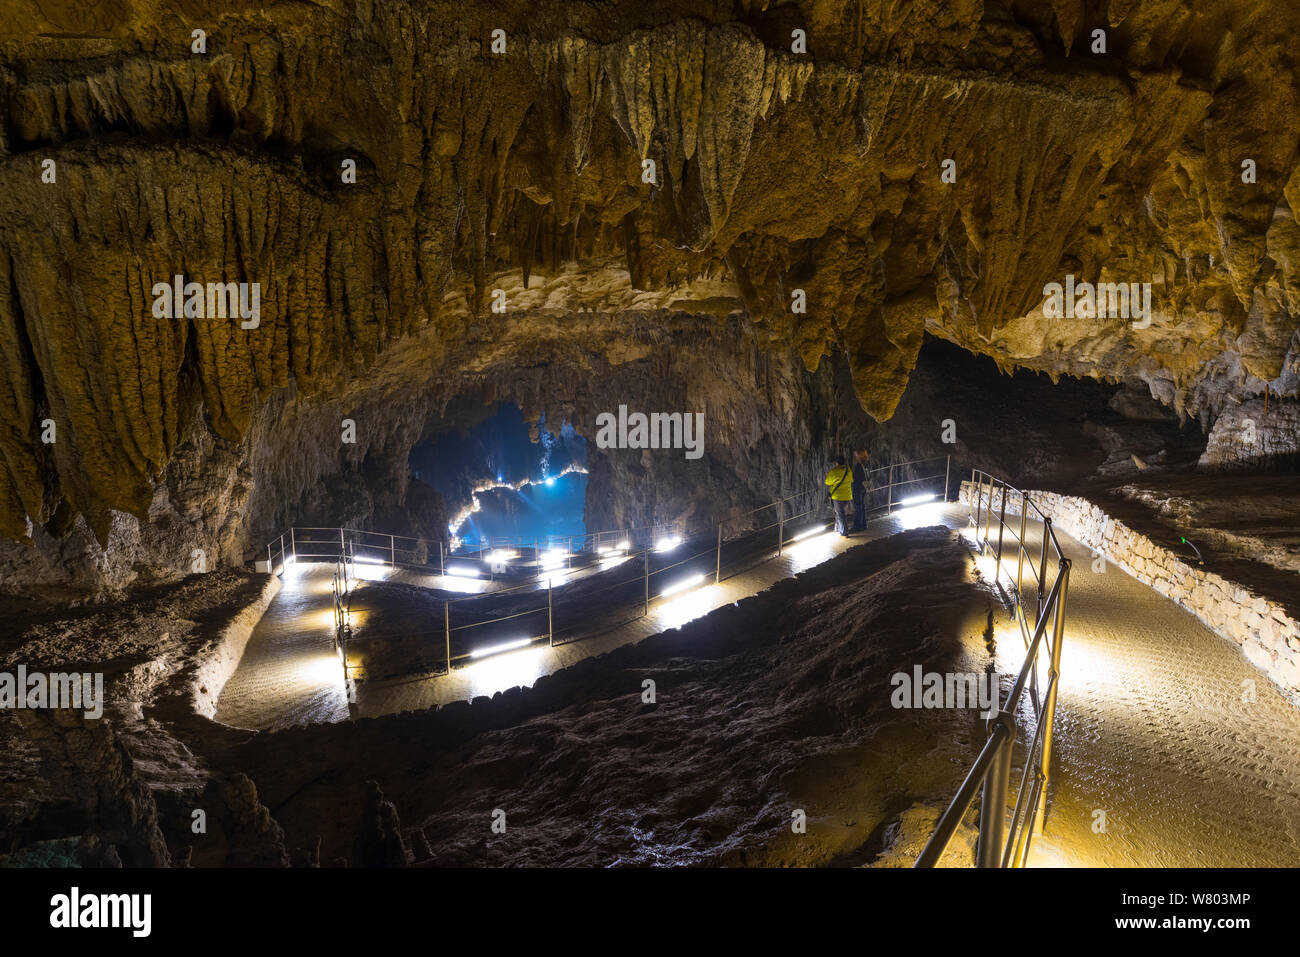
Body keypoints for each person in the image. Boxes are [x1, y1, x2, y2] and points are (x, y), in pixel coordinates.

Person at [824, 454, 854, 536]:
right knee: (841, 513)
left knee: (840, 514)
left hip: (838, 497)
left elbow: (827, 482)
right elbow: (851, 480)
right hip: (847, 496)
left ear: (837, 463)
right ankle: (838, 527)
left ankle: (844, 532)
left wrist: (827, 476)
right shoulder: (848, 470)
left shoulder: (834, 471)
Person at [851, 450, 870, 532]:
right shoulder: (866, 464)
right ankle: (864, 524)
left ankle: (857, 526)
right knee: (861, 506)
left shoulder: (858, 466)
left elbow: (857, 477)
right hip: (863, 488)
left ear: (860, 456)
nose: (855, 457)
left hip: (858, 489)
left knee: (858, 507)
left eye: (856, 456)